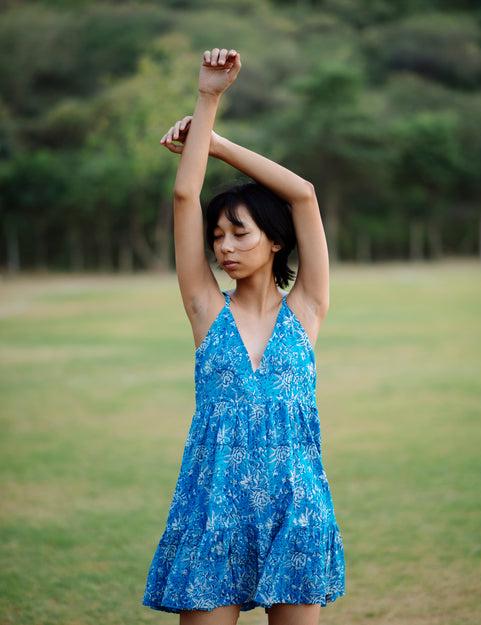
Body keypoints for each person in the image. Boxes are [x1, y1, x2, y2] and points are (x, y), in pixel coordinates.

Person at [142, 47, 346, 625]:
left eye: (239, 233)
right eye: (218, 236)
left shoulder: (306, 311)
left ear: (275, 240)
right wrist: (207, 98)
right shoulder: (206, 311)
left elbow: (302, 192)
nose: (224, 247)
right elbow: (185, 197)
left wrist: (219, 143)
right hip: (214, 509)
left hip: (296, 508)